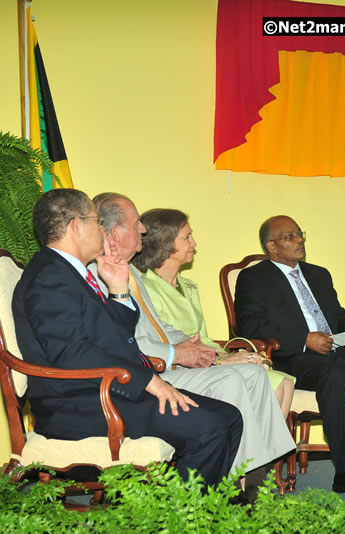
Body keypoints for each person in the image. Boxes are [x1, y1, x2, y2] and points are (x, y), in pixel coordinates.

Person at [11, 189, 242, 488]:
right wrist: (148, 380)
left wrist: (118, 288)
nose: (102, 229)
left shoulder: (70, 273)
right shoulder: (49, 276)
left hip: (105, 389)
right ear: (75, 225)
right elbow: (71, 353)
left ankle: (211, 509)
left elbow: (114, 337)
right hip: (78, 404)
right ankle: (181, 518)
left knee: (228, 416)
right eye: (96, 221)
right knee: (209, 428)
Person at [91, 192, 295, 497]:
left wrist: (196, 348)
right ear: (114, 232)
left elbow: (160, 329)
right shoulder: (102, 275)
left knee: (252, 374)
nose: (143, 231)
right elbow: (126, 342)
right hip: (147, 374)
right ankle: (234, 487)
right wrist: (184, 354)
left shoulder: (128, 272)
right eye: (137, 224)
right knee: (233, 377)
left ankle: (253, 474)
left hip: (164, 362)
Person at [235, 216, 345, 496]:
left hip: (334, 355)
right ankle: (344, 469)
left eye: (299, 233)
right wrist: (304, 339)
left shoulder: (319, 274)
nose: (299, 239)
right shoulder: (254, 278)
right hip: (292, 360)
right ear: (272, 246)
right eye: (290, 236)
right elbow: (251, 326)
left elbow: (337, 314)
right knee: (332, 375)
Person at [131, 208, 295, 418]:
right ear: (166, 242)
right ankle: (250, 448)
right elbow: (165, 340)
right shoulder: (147, 289)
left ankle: (266, 450)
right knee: (273, 383)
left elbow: (204, 337)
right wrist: (221, 361)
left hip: (205, 358)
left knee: (285, 383)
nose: (194, 244)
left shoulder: (188, 286)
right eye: (187, 237)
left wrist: (233, 355)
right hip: (181, 366)